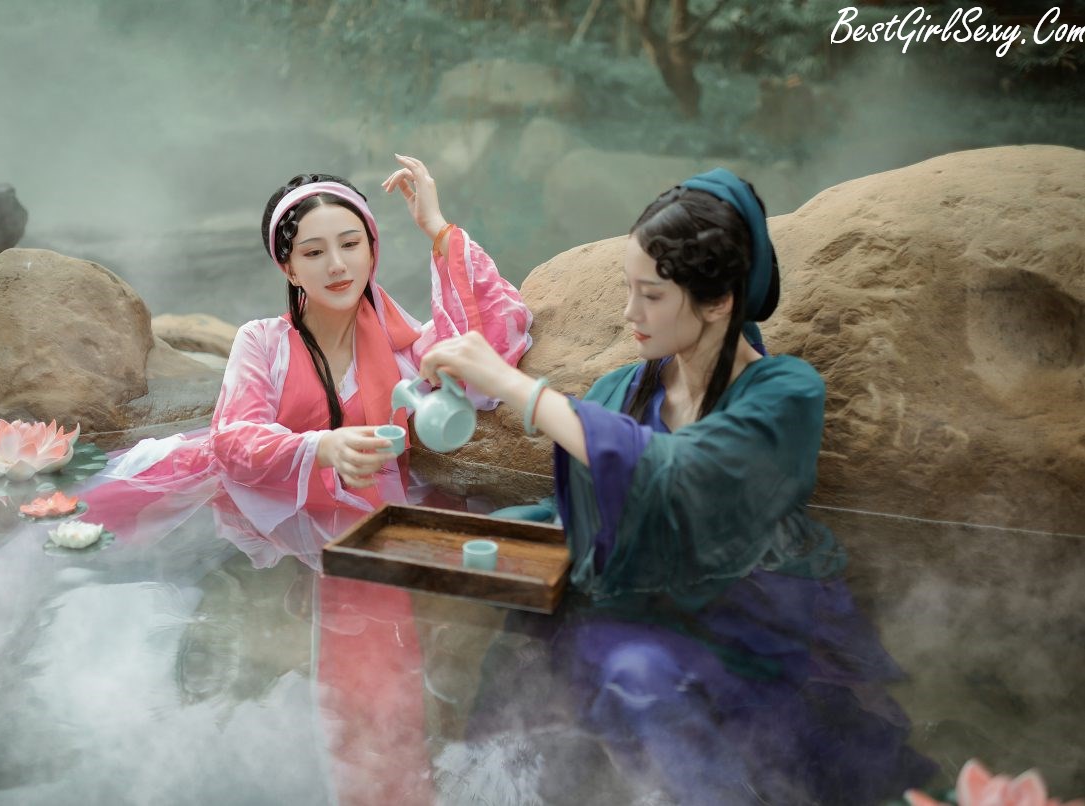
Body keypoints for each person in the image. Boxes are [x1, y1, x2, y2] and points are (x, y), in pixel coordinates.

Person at [419, 169, 936, 804]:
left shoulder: (785, 395)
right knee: (585, 667)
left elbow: (681, 473)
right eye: (628, 289)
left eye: (652, 295)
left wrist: (516, 387)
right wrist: (474, 548)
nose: (629, 313)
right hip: (634, 617)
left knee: (639, 675)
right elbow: (569, 509)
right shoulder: (622, 390)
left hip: (750, 629)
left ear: (719, 302)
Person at [85, 154, 532, 540]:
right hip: (259, 513)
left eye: (351, 245)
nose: (337, 265)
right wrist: (321, 448)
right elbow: (233, 441)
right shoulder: (262, 342)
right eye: (314, 253)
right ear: (290, 269)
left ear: (372, 252)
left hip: (366, 517)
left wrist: (437, 228)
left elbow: (493, 337)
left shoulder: (407, 349)